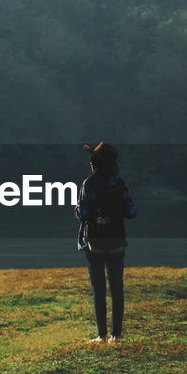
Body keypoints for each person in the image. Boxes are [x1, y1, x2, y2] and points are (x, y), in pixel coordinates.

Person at [75, 142, 136, 343]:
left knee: (99, 289)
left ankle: (101, 335)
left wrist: (76, 209)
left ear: (95, 163)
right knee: (117, 288)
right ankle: (116, 335)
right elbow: (131, 212)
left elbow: (83, 214)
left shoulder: (89, 184)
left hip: (94, 243)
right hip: (117, 240)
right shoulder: (120, 184)